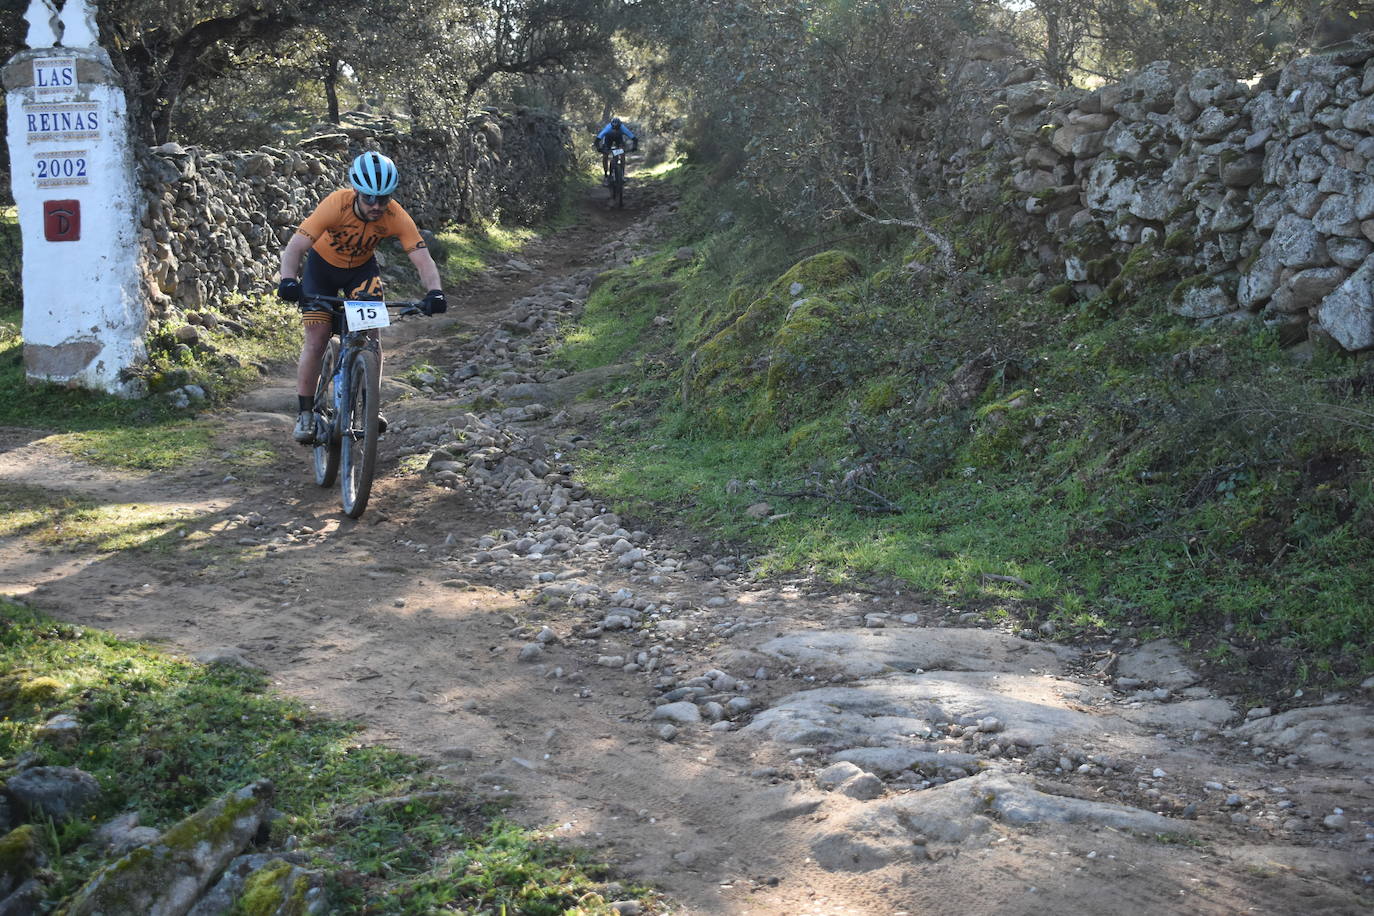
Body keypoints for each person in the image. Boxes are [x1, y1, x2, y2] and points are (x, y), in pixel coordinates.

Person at [277, 151, 447, 444]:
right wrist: (288, 280)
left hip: (361, 272)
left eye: (384, 198)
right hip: (322, 271)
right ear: (356, 191)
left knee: (371, 336)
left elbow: (422, 258)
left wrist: (435, 292)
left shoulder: (395, 215)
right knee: (317, 339)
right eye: (370, 198)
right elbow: (295, 247)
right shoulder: (335, 205)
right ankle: (305, 413)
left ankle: (370, 407)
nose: (377, 206)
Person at [594, 117, 638, 184]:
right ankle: (606, 175)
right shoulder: (607, 129)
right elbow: (597, 140)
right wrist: (599, 149)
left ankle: (622, 175)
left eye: (617, 129)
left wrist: (634, 147)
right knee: (605, 155)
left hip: (619, 140)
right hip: (608, 140)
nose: (615, 130)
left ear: (620, 126)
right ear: (611, 126)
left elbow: (634, 138)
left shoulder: (623, 128)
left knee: (622, 154)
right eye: (614, 129)